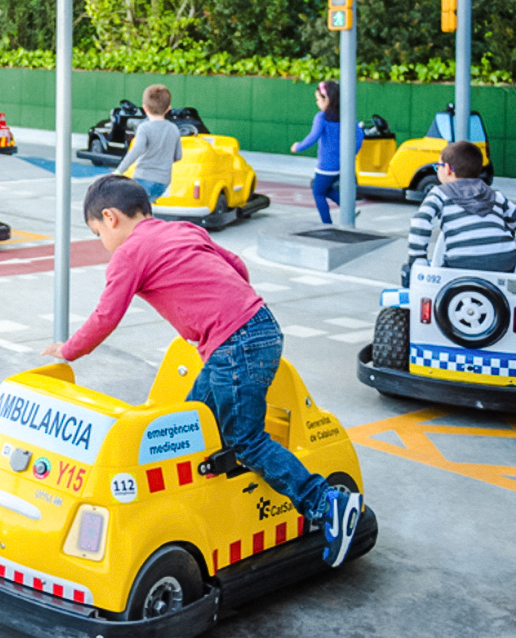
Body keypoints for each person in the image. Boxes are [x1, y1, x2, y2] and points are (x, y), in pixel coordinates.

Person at [43, 175, 363, 568]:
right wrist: (224, 309)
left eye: (96, 233)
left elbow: (106, 315)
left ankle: (328, 503)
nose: (102, 242)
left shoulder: (129, 253)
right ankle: (211, 508)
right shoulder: (181, 229)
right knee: (195, 423)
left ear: (109, 218)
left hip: (234, 346)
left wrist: (67, 351)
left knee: (245, 439)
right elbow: (237, 266)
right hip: (259, 327)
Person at [407, 140, 516, 273]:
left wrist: (417, 259)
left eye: (438, 166)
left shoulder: (440, 193)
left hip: (461, 264)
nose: (437, 169)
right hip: (504, 264)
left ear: (448, 169)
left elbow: (420, 221)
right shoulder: (495, 195)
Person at [291, 80, 364, 224]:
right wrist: (352, 153)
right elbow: (360, 135)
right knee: (326, 188)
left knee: (317, 191)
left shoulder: (322, 117)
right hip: (341, 165)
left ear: (327, 100)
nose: (317, 103)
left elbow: (313, 136)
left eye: (318, 99)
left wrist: (298, 147)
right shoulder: (346, 116)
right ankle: (349, 209)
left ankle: (327, 223)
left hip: (326, 166)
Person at [114, 84, 182, 201]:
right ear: (168, 109)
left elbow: (136, 150)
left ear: (145, 108)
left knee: (133, 209)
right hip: (163, 182)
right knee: (146, 208)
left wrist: (119, 170)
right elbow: (178, 156)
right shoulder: (174, 128)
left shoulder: (144, 128)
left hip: (143, 178)